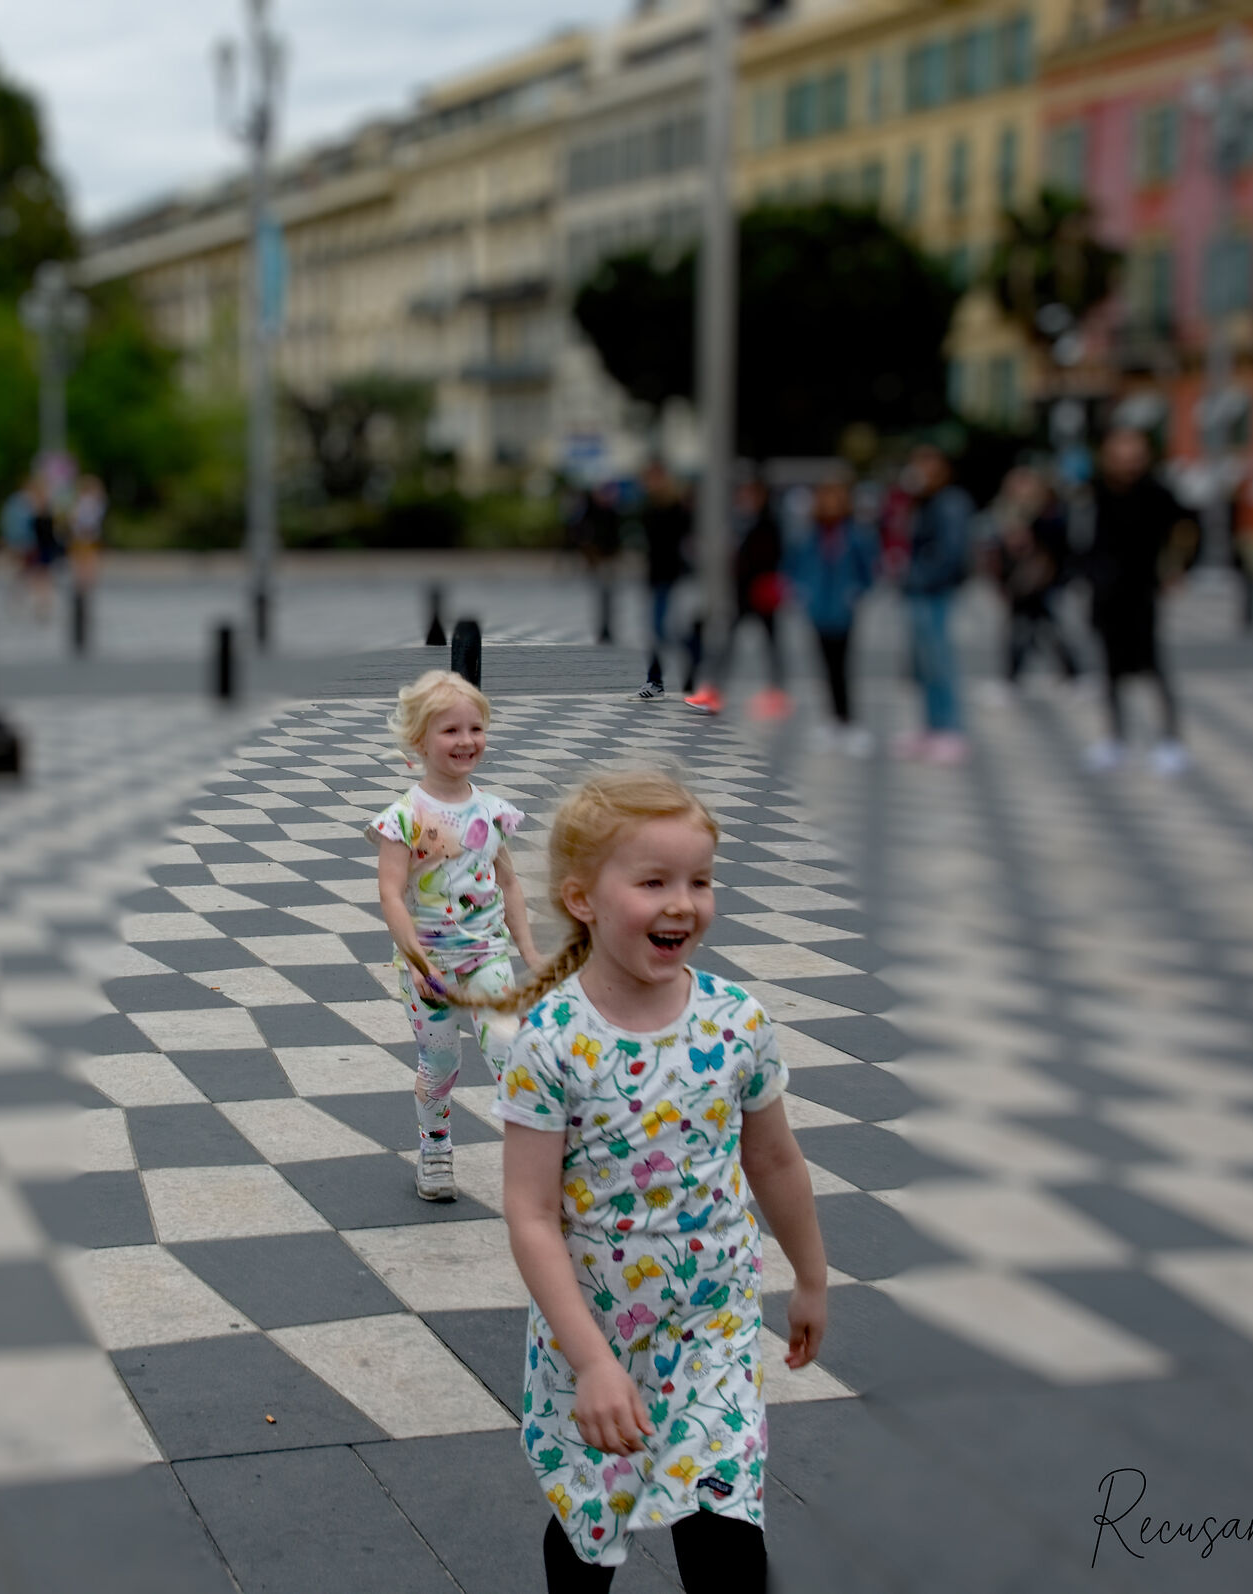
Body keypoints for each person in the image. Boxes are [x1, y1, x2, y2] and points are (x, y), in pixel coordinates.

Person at [486, 770, 827, 1592]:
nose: (684, 902)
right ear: (582, 900)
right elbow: (530, 1213)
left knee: (724, 1535)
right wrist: (593, 1362)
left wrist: (812, 1274)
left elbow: (774, 1158)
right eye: (654, 882)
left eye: (700, 881)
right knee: (590, 1520)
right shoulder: (553, 1038)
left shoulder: (736, 1020)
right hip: (594, 1330)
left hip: (711, 1325)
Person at [370, 670, 543, 1202]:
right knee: (442, 1063)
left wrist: (531, 956)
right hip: (430, 964)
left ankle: (536, 1166)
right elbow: (391, 895)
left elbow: (509, 884)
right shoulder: (405, 816)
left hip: (486, 955)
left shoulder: (491, 812)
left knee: (509, 1051)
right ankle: (436, 1147)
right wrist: (420, 964)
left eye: (476, 728)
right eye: (450, 731)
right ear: (420, 740)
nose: (467, 741)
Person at [1083, 427, 1196, 776]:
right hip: (1105, 593)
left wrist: (1177, 568)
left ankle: (1170, 740)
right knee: (1111, 671)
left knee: (1153, 668)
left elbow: (1188, 529)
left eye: (1133, 456)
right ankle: (1116, 738)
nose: (1126, 464)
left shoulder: (1157, 493)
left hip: (1142, 592)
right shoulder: (1096, 492)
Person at [783, 468, 880, 753]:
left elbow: (869, 570)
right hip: (817, 609)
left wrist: (857, 592)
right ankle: (832, 719)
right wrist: (800, 591)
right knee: (824, 665)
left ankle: (848, 720)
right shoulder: (809, 534)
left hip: (843, 609)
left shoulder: (855, 533)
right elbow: (794, 565)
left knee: (844, 665)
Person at [683, 473, 789, 719]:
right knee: (732, 647)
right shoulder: (742, 522)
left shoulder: (767, 523)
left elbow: (770, 557)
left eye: (750, 494)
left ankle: (775, 694)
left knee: (770, 647)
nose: (745, 499)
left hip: (761, 595)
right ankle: (715, 693)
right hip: (744, 594)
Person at [894, 441, 974, 764]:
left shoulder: (951, 502)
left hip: (934, 591)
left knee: (940, 662)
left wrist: (920, 576)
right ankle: (931, 727)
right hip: (920, 589)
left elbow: (951, 554)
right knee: (924, 665)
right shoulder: (923, 502)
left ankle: (950, 729)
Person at [987, 465, 1080, 694]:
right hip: (1017, 583)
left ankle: (1069, 672)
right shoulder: (1005, 511)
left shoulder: (1046, 513)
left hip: (1043, 582)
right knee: (1027, 629)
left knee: (1043, 629)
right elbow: (995, 550)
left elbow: (1057, 547)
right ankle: (1014, 676)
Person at [635, 464, 690, 699]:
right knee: (656, 630)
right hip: (656, 575)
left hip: (672, 574)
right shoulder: (648, 507)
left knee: (661, 629)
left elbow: (683, 541)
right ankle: (655, 680)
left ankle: (689, 660)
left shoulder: (677, 508)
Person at [68, 473, 107, 586]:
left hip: (82, 535)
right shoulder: (92, 502)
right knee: (89, 559)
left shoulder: (82, 501)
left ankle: (82, 580)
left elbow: (74, 518)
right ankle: (86, 580)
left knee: (83, 560)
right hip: (88, 535)